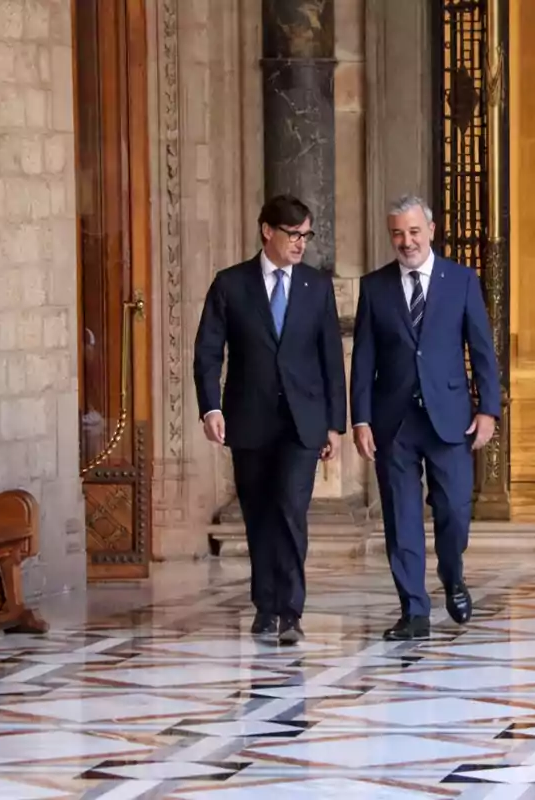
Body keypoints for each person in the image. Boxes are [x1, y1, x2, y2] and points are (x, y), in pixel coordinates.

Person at [193, 194, 346, 645]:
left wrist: (334, 425)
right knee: (259, 513)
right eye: (293, 234)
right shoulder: (230, 284)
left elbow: (331, 359)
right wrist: (211, 407)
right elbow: (207, 353)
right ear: (267, 231)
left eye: (306, 235)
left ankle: (290, 609)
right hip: (249, 419)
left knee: (291, 509)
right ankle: (265, 606)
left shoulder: (316, 287)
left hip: (303, 423)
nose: (301, 243)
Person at [350, 194, 501, 641]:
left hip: (450, 417)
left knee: (454, 510)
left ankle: (452, 575)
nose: (406, 241)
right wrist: (360, 419)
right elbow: (363, 359)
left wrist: (488, 409)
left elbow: (482, 351)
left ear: (430, 231)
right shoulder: (374, 287)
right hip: (393, 422)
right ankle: (414, 610)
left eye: (414, 231)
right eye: (397, 232)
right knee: (401, 517)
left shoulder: (462, 281)